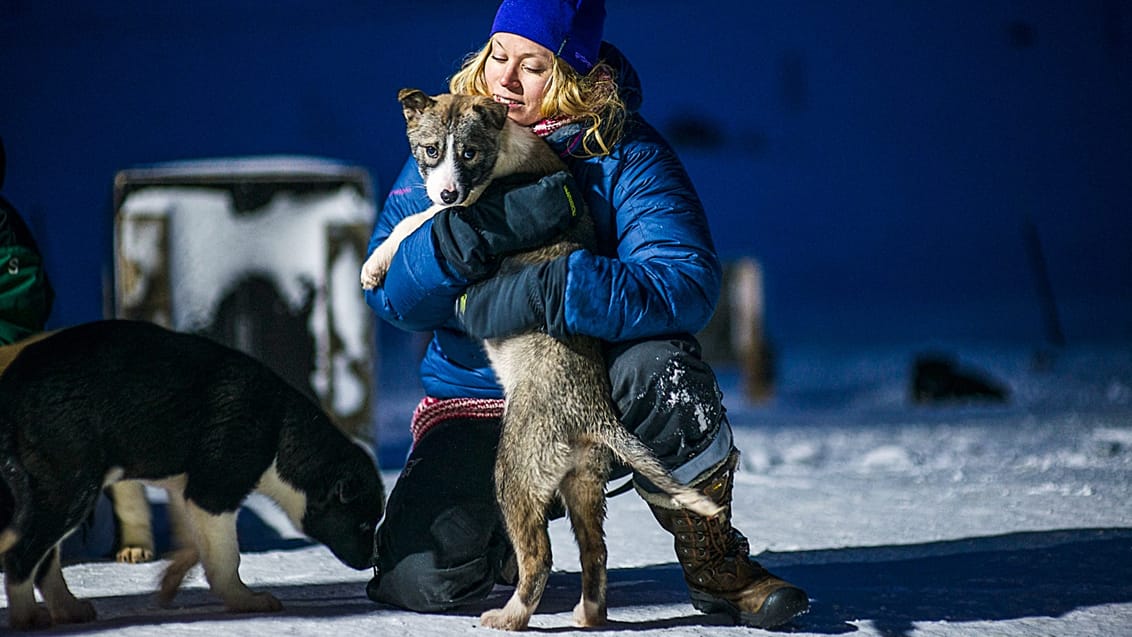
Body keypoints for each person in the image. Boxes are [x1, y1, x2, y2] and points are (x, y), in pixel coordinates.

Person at [363, 0, 809, 629]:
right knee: (419, 581)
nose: (507, 80)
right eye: (499, 57)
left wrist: (559, 289)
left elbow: (684, 281)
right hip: (477, 397)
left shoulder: (627, 152)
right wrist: (450, 248)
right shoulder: (452, 138)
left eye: (534, 65)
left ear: (571, 73)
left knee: (663, 369)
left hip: (589, 386)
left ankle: (716, 564)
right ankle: (500, 532)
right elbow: (389, 300)